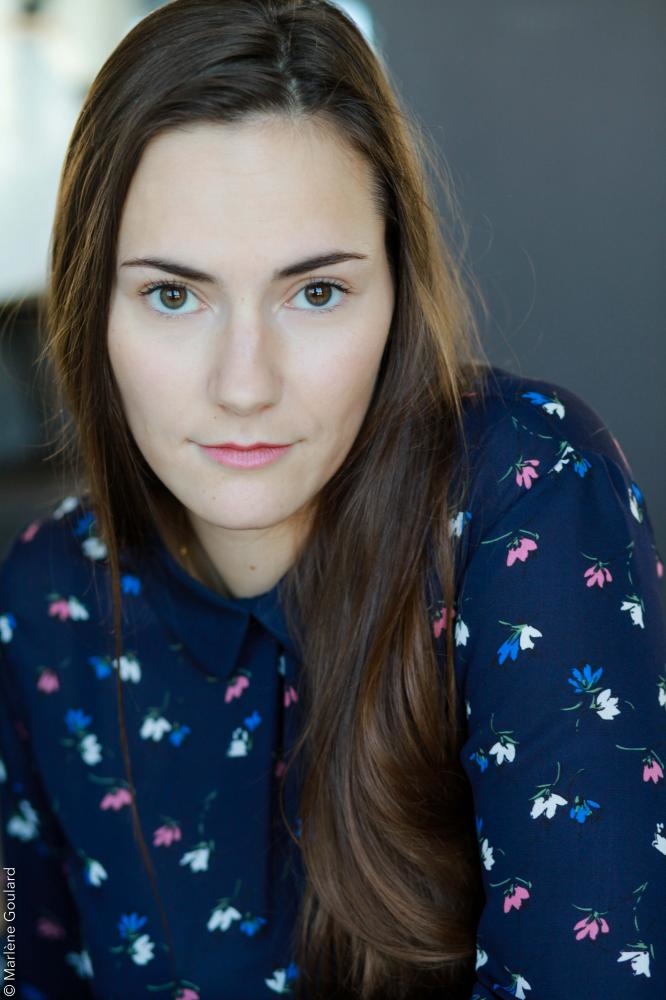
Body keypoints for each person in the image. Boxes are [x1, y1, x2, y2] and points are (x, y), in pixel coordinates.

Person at [0, 1, 663, 998]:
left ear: (395, 290)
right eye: (173, 295)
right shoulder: (44, 601)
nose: (244, 385)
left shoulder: (527, 490)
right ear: (92, 306)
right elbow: (25, 966)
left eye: (315, 292)